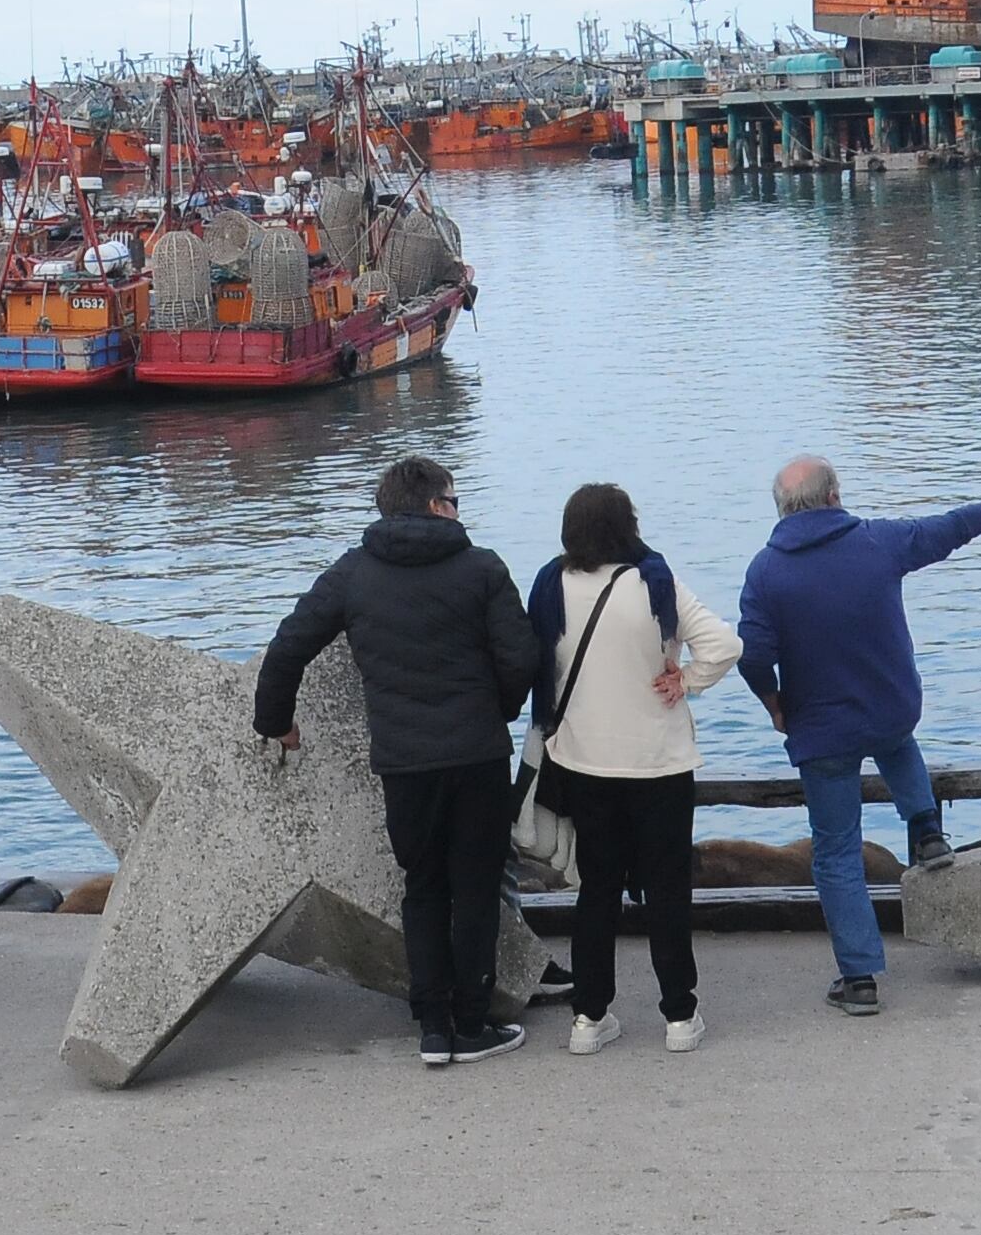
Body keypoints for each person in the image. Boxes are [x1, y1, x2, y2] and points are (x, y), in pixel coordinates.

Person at [737, 453, 981, 1017]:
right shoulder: (876, 542)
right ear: (834, 495)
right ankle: (926, 827)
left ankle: (859, 980)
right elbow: (948, 530)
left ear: (781, 509)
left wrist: (774, 704)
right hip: (889, 708)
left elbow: (754, 655)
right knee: (895, 738)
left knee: (835, 852)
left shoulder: (766, 571)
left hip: (821, 727)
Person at [253, 454, 541, 1067]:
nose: (460, 511)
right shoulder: (482, 569)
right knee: (476, 889)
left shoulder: (353, 574)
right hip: (476, 756)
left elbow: (287, 648)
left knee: (423, 889)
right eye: (455, 500)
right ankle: (471, 1023)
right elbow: (521, 659)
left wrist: (275, 722)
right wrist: (500, 711)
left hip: (404, 764)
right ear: (437, 505)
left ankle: (433, 1029)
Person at [528, 482, 741, 1055]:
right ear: (628, 526)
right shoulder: (655, 583)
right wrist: (686, 680)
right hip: (659, 765)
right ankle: (678, 1016)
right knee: (667, 889)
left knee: (595, 890)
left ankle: (589, 1019)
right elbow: (723, 645)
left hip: (583, 762)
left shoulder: (552, 585)